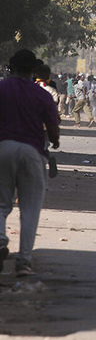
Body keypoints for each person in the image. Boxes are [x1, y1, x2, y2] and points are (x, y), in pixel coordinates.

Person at [0, 49, 60, 277]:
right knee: (30, 209)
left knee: (1, 203)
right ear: (33, 69)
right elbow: (53, 130)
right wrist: (55, 140)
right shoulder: (42, 95)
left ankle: (0, 239)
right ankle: (23, 261)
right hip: (32, 152)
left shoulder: (2, 88)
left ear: (12, 66)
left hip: (3, 148)